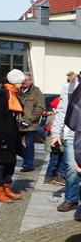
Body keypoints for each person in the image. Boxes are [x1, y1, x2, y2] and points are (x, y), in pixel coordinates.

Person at [0, 69, 25, 202]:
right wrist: (2, 138)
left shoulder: (13, 93)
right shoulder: (2, 94)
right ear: (14, 82)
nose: (22, 85)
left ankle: (7, 187)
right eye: (21, 82)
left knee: (11, 163)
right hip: (1, 136)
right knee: (1, 164)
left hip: (11, 135)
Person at [51, 73, 81, 216]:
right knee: (71, 168)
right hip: (73, 134)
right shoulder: (70, 86)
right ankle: (71, 199)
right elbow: (62, 111)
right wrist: (56, 134)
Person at [18, 72, 44, 172]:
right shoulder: (18, 90)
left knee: (29, 145)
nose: (24, 82)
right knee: (15, 144)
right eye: (23, 80)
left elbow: (40, 107)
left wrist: (30, 119)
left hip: (31, 124)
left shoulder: (36, 92)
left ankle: (28, 165)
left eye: (26, 80)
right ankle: (28, 158)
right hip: (18, 123)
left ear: (30, 80)